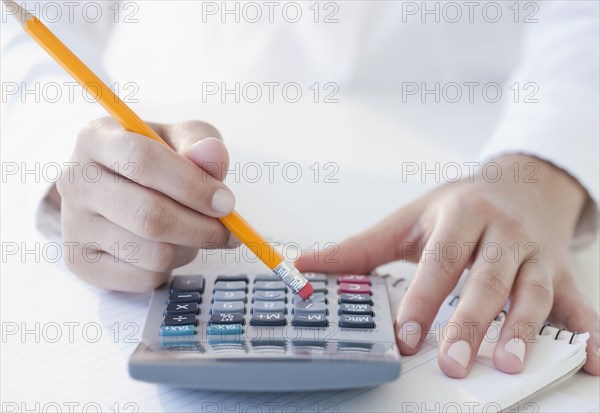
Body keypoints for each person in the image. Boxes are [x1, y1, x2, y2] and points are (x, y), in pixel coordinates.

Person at [3, 1, 598, 379]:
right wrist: (74, 158)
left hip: (488, 116)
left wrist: (543, 170)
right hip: (208, 125)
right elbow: (25, 24)